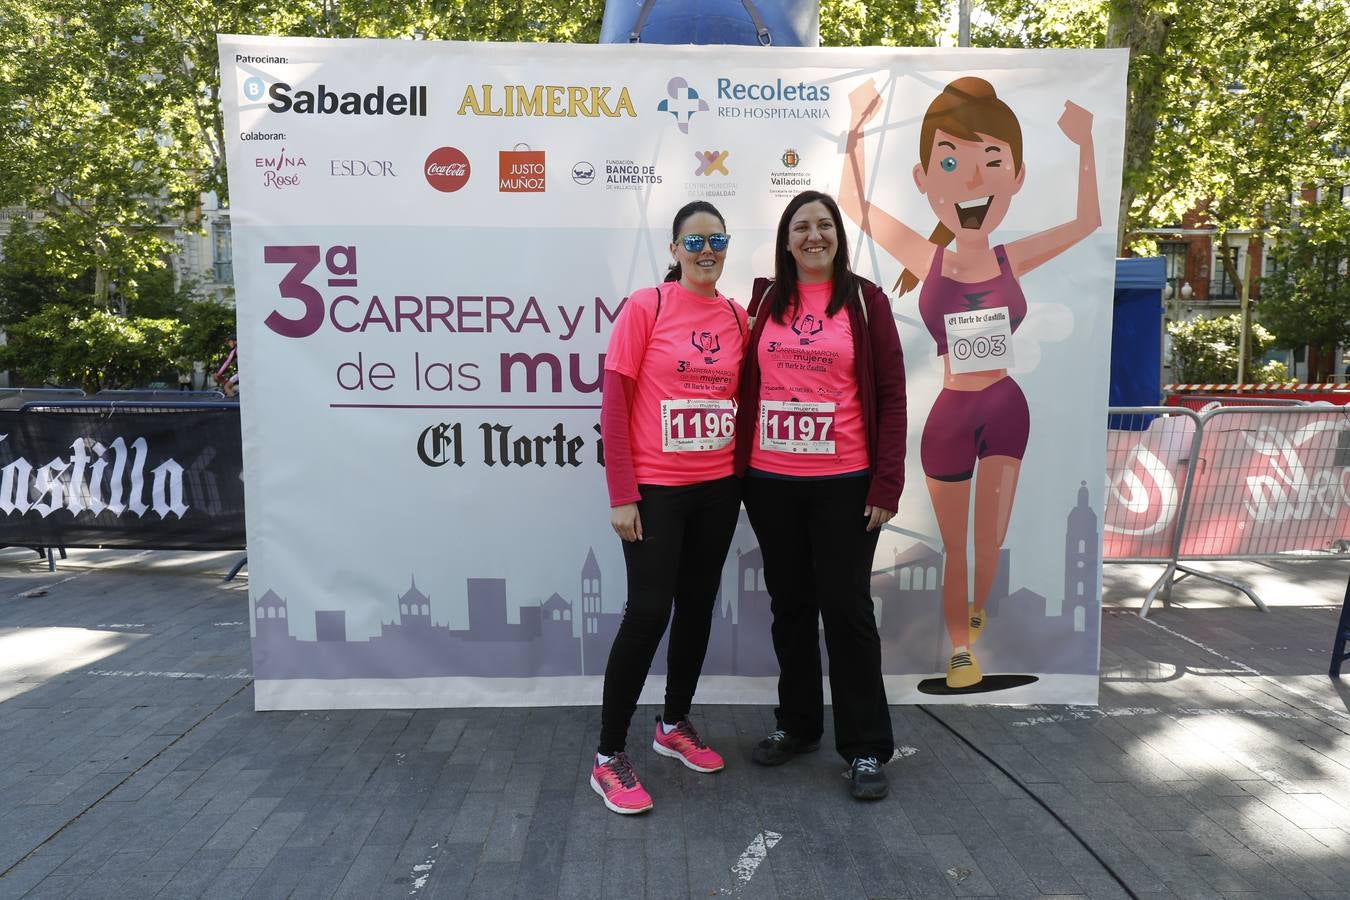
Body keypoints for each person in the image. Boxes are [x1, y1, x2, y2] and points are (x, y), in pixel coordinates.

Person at [840, 76, 1100, 689]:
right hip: (952, 416)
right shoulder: (925, 258)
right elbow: (854, 205)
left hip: (1006, 406)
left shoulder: (1013, 258)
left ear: (1016, 175)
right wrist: (854, 129)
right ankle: (962, 650)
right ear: (923, 179)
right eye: (951, 162)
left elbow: (1087, 220)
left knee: (990, 542)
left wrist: (1087, 144)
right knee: (956, 546)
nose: (973, 180)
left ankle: (974, 617)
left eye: (991, 161)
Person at [735, 190, 906, 800]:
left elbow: (891, 395)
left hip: (845, 483)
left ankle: (864, 748)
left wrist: (887, 483)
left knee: (848, 611)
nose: (814, 235)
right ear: (786, 240)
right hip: (770, 481)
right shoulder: (763, 301)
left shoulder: (866, 301)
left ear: (839, 236)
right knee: (790, 608)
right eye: (801, 226)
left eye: (824, 225)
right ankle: (798, 724)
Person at [590, 200, 747, 815]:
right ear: (676, 247)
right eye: (695, 241)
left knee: (699, 607)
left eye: (718, 240)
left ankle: (672, 724)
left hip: (717, 490)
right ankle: (608, 758)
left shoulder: (738, 317)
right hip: (656, 490)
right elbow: (614, 401)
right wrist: (622, 494)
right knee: (648, 611)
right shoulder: (645, 307)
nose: (707, 250)